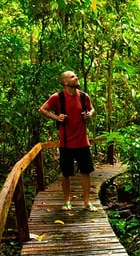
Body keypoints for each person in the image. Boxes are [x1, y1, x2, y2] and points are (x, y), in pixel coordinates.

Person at [39, 71, 98, 211]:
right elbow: (42, 109)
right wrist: (56, 117)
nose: (76, 78)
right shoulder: (57, 98)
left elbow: (92, 109)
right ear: (66, 82)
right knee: (66, 173)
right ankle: (67, 201)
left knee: (86, 172)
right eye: (73, 77)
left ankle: (87, 202)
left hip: (83, 142)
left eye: (75, 76)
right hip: (66, 143)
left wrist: (89, 114)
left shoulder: (84, 97)